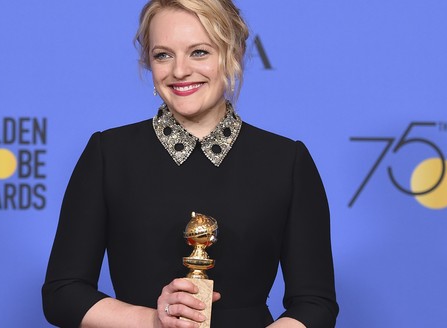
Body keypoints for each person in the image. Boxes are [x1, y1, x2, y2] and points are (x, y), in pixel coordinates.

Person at [42, 0, 339, 327]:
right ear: (147, 61)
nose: (179, 71)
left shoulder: (286, 161)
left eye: (199, 52)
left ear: (234, 53)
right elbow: (63, 293)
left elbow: (315, 304)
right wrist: (154, 320)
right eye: (163, 55)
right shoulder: (109, 154)